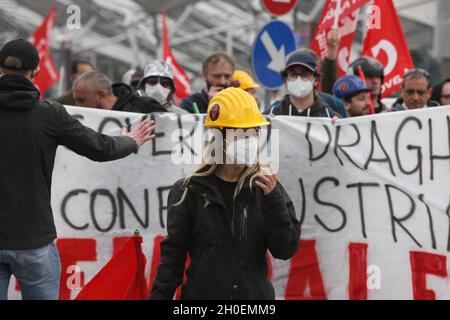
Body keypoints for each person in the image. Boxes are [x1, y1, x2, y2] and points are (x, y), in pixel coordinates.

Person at [0, 39, 156, 300]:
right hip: (34, 240)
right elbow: (100, 148)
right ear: (36, 72)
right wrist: (131, 141)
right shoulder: (48, 114)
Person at [149, 87, 301, 300]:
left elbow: (285, 249)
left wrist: (272, 199)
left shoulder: (266, 187)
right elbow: (172, 261)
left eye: (254, 132)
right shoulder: (189, 191)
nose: (250, 139)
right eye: (240, 132)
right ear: (219, 136)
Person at [264, 49, 342, 118]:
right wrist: (269, 128)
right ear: (286, 79)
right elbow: (255, 133)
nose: (298, 79)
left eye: (305, 74)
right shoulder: (272, 116)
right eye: (293, 74)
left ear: (315, 80)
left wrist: (338, 128)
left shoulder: (329, 118)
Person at [72, 70, 167, 114]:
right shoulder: (80, 119)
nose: (76, 105)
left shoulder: (144, 108)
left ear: (101, 95)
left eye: (81, 100)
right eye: (75, 100)